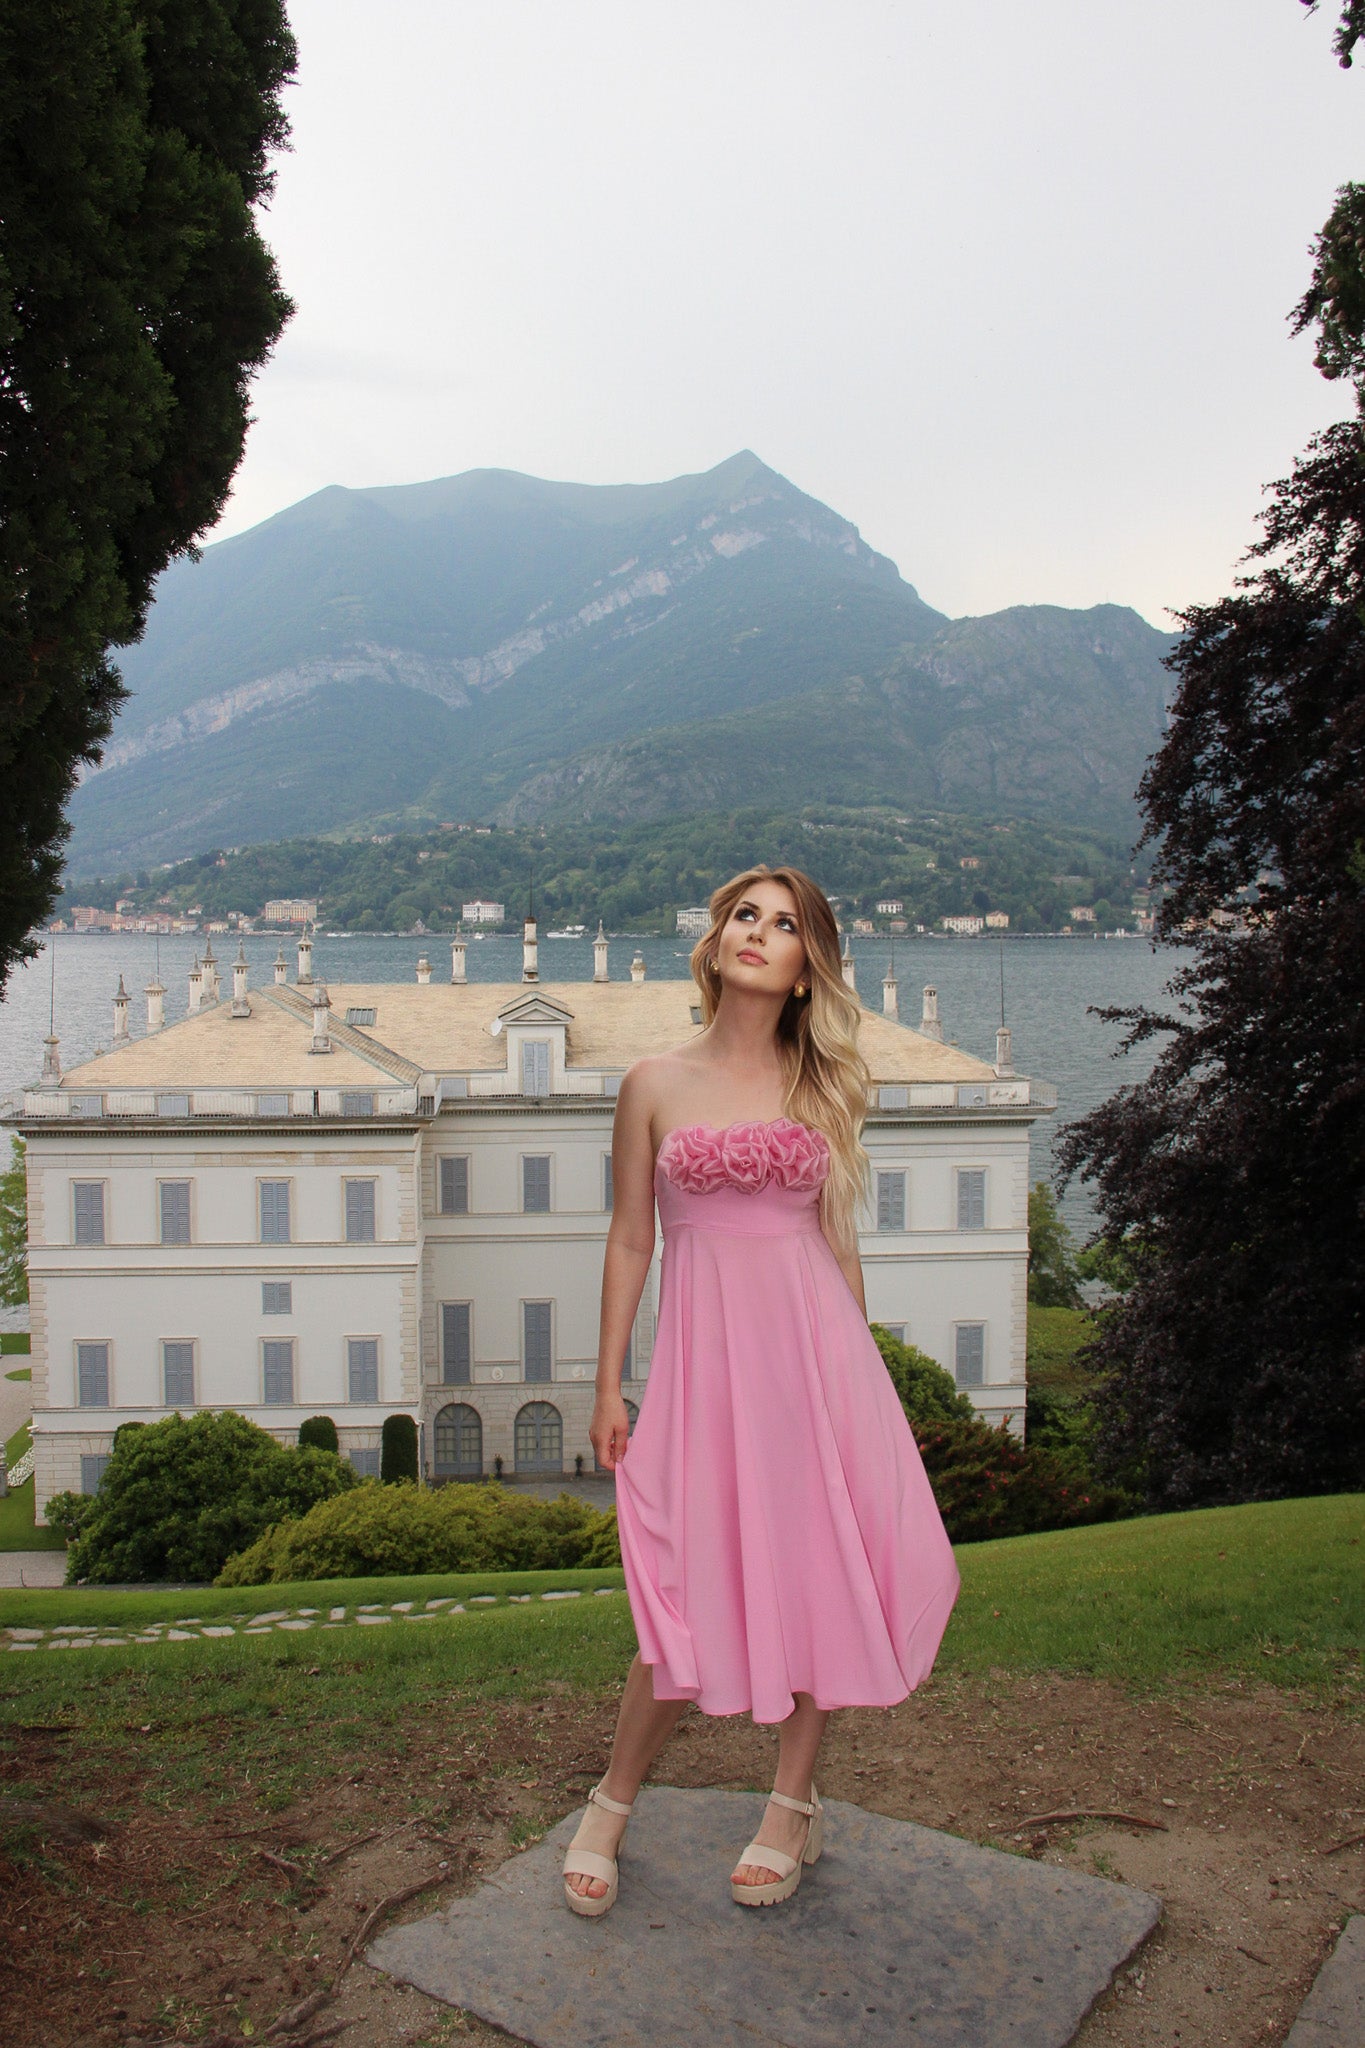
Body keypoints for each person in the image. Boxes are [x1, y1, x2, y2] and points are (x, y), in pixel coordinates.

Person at [562, 865, 961, 1917]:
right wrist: (609, 1385)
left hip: (812, 1357)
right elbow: (631, 1235)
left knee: (822, 1564)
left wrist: (865, 1379)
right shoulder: (652, 1080)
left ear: (803, 970)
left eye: (786, 926)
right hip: (702, 1368)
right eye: (747, 914)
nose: (760, 933)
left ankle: (791, 1802)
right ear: (718, 938)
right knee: (681, 1585)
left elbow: (835, 1238)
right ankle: (609, 1801)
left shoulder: (820, 1086)